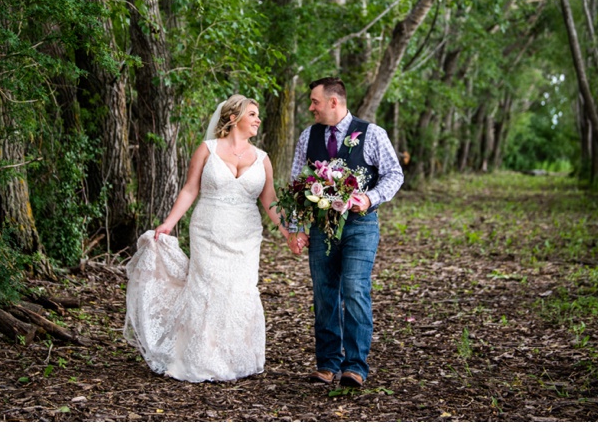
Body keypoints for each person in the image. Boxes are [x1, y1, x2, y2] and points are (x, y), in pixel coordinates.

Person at [124, 95, 290, 382]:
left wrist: (290, 232)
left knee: (240, 289)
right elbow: (190, 189)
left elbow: (270, 201)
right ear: (232, 117)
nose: (258, 119)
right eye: (252, 114)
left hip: (246, 235)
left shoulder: (262, 158)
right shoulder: (207, 149)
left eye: (258, 114)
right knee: (207, 289)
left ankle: (236, 357)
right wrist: (168, 223)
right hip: (208, 230)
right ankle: (203, 357)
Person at [288, 77, 404, 388]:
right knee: (324, 294)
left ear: (333, 102)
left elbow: (395, 174)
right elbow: (297, 183)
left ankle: (355, 366)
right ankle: (327, 364)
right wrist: (296, 228)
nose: (311, 107)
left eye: (315, 102)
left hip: (360, 225)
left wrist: (369, 197)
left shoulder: (372, 134)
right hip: (321, 227)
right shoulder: (307, 137)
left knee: (354, 290)